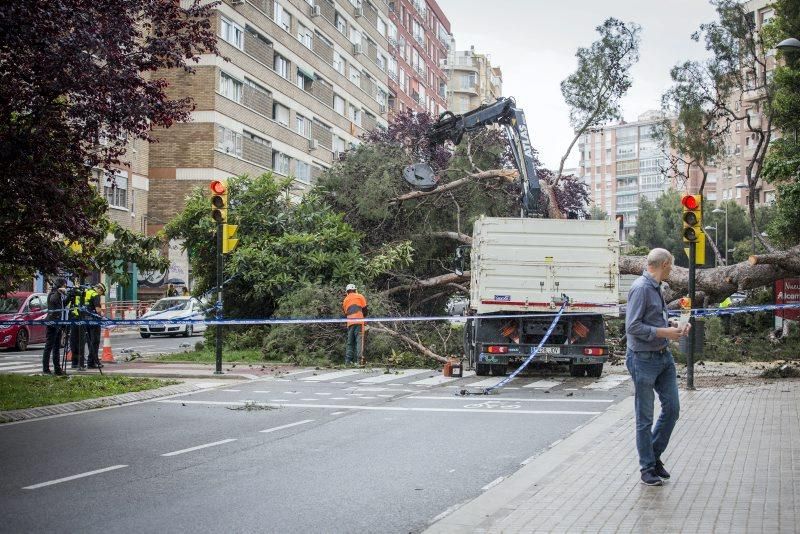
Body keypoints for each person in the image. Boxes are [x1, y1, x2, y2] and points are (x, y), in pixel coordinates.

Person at [625, 248, 690, 487]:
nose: (671, 270)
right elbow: (632, 327)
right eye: (670, 266)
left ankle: (653, 456)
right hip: (643, 359)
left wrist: (674, 324)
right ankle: (647, 468)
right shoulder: (641, 288)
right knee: (645, 417)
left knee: (672, 408)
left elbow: (653, 319)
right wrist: (665, 332)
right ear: (663, 264)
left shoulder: (656, 288)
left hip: (663, 357)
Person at [42, 278, 67, 375]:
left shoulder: (59, 295)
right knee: (49, 346)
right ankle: (46, 369)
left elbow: (62, 306)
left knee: (56, 347)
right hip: (53, 324)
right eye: (64, 285)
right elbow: (54, 308)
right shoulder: (54, 295)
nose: (65, 287)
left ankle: (57, 369)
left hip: (58, 323)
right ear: (60, 286)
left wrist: (68, 297)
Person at [342, 284, 368, 365]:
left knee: (350, 342)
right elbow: (365, 309)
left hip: (350, 323)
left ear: (347, 291)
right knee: (359, 341)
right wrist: (364, 318)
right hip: (359, 322)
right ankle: (360, 361)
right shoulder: (360, 296)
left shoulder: (345, 300)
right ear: (355, 290)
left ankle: (348, 362)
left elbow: (346, 313)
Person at [84, 282, 106, 369]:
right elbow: (98, 310)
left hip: (85, 320)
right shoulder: (95, 295)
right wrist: (102, 316)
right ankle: (93, 362)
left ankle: (91, 361)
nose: (101, 294)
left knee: (89, 342)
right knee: (95, 342)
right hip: (94, 321)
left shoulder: (87, 292)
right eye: (102, 292)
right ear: (99, 289)